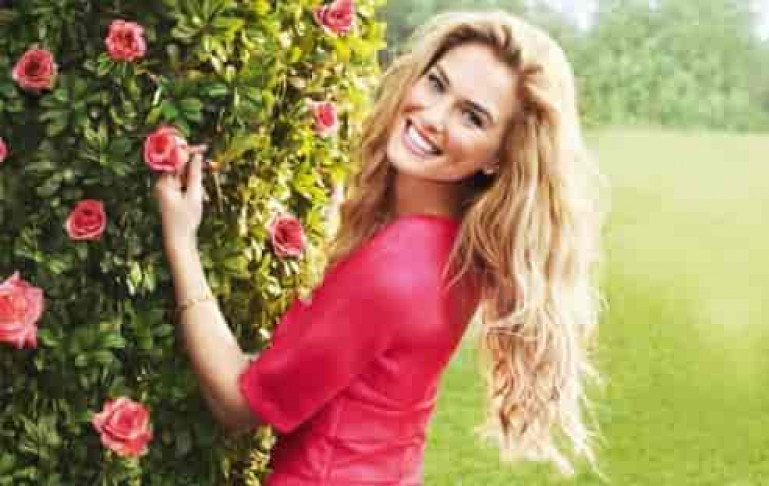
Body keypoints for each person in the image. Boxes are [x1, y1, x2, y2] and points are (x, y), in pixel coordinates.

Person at [154, 9, 604, 484]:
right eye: (436, 84)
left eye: (472, 117)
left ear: (498, 156)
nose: (432, 117)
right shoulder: (459, 252)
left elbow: (237, 403)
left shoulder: (396, 267)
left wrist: (180, 239)